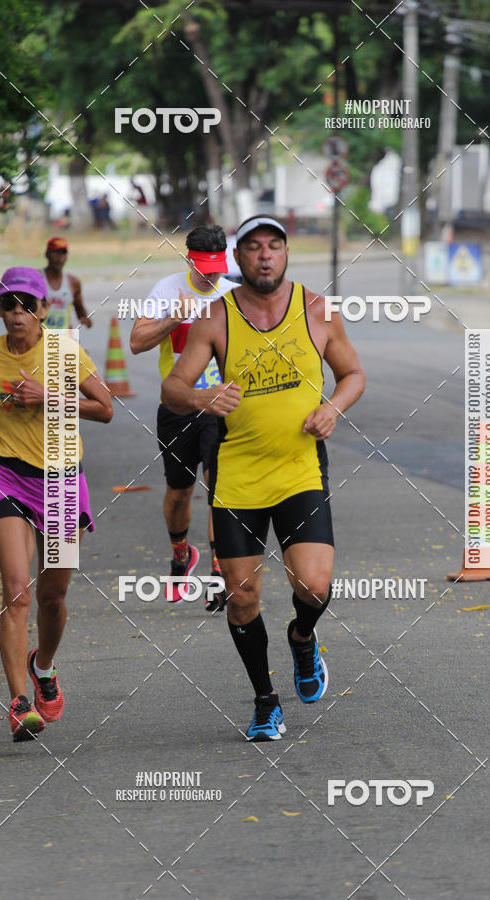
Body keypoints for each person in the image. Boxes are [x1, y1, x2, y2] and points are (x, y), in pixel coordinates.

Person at [162, 215, 365, 740]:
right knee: (242, 596)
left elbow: (353, 374)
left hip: (300, 470)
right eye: (253, 248)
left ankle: (302, 639)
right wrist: (204, 397)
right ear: (240, 259)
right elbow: (172, 388)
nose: (265, 255)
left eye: (274, 245)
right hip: (238, 477)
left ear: (287, 253)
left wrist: (334, 408)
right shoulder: (215, 318)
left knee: (315, 587)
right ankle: (264, 699)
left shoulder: (318, 310)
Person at [0, 267, 112, 741]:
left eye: (27, 306)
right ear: (0, 310)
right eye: (9, 305)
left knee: (52, 596)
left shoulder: (62, 351)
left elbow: (106, 408)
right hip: (8, 478)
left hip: (61, 483)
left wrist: (48, 396)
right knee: (17, 590)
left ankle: (44, 667)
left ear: (43, 310)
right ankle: (17, 704)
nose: (18, 314)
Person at [130, 225, 237, 607]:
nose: (212, 275)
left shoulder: (233, 295)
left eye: (218, 267)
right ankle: (180, 553)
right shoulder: (166, 290)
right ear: (188, 260)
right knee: (179, 493)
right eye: (205, 267)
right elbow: (136, 343)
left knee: (217, 489)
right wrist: (173, 320)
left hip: (221, 407)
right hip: (177, 407)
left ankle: (219, 574)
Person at [43, 237, 92, 330]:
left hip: (64, 337)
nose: (60, 257)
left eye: (63, 253)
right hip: (40, 338)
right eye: (56, 252)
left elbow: (80, 309)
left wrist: (85, 318)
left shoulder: (73, 282)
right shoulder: (37, 278)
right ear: (47, 254)